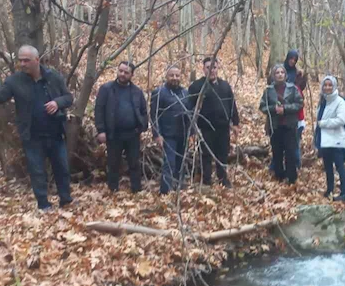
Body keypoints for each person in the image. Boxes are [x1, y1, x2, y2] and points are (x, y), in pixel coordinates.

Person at [0, 45, 73, 210]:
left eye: (26, 60)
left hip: (56, 133)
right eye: (20, 60)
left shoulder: (53, 77)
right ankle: (43, 205)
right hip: (32, 136)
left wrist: (57, 103)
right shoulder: (14, 81)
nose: (22, 64)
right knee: (37, 172)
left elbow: (69, 97)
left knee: (62, 169)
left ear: (37, 60)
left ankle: (66, 200)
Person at [94, 61, 148, 193]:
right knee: (113, 163)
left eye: (126, 72)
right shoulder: (106, 89)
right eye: (121, 71)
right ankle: (113, 189)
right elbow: (99, 110)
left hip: (132, 133)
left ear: (132, 75)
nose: (122, 74)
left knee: (134, 163)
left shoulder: (137, 91)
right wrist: (101, 130)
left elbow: (143, 111)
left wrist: (142, 127)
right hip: (114, 133)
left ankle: (136, 189)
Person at [188, 57, 239, 188]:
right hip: (204, 129)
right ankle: (207, 180)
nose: (212, 70)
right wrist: (192, 130)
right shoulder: (196, 86)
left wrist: (236, 123)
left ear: (218, 68)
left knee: (222, 153)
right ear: (203, 69)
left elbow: (232, 104)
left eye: (214, 67)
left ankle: (223, 179)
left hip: (223, 128)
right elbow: (189, 108)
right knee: (205, 155)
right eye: (208, 67)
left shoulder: (225, 86)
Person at [259, 64, 304, 184]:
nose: (280, 75)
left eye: (282, 72)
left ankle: (291, 177)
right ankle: (279, 176)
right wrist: (274, 109)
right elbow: (262, 106)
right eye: (277, 73)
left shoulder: (293, 89)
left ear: (285, 75)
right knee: (277, 152)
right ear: (273, 75)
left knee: (290, 152)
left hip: (289, 125)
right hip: (275, 126)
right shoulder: (268, 90)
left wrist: (285, 109)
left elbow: (299, 104)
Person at [151, 66, 191, 194]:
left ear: (180, 77)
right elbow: (154, 115)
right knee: (169, 163)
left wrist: (192, 133)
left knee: (181, 162)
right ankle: (165, 191)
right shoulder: (159, 92)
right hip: (168, 135)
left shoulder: (185, 93)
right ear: (166, 77)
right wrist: (157, 134)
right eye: (171, 75)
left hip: (183, 135)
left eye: (177, 75)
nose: (174, 78)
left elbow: (190, 114)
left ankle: (179, 188)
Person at [316, 76, 345, 201]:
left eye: (330, 85)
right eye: (325, 85)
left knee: (340, 167)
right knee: (328, 167)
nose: (327, 87)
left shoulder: (340, 102)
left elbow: (341, 120)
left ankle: (344, 193)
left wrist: (323, 123)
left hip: (336, 140)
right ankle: (330, 189)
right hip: (325, 140)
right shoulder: (322, 101)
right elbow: (318, 120)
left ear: (334, 86)